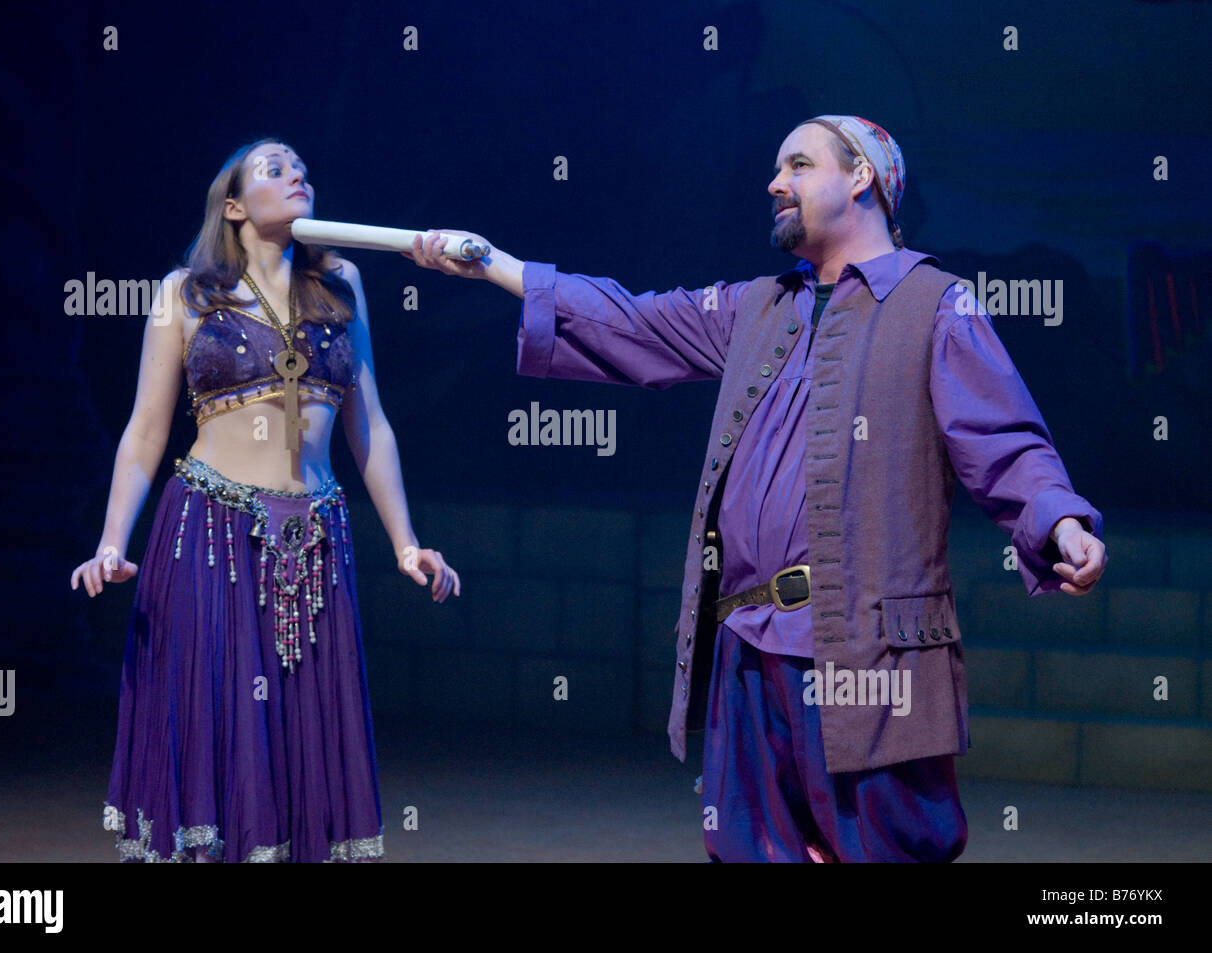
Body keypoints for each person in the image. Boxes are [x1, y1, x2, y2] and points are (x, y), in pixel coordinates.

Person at [404, 114, 1107, 862]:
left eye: (798, 165)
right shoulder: (757, 305)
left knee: (881, 847)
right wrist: (493, 265)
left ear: (861, 176)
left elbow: (1004, 439)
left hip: (868, 653)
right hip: (747, 643)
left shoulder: (935, 304)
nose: (775, 183)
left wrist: (1062, 524)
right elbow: (632, 321)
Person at [71, 138, 460, 863]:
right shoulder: (185, 292)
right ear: (235, 206)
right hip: (207, 530)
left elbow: (369, 423)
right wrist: (111, 540)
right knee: (222, 724)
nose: (296, 175)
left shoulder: (340, 284)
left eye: (302, 168)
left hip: (316, 537)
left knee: (302, 728)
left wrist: (407, 541)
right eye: (274, 169)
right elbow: (145, 432)